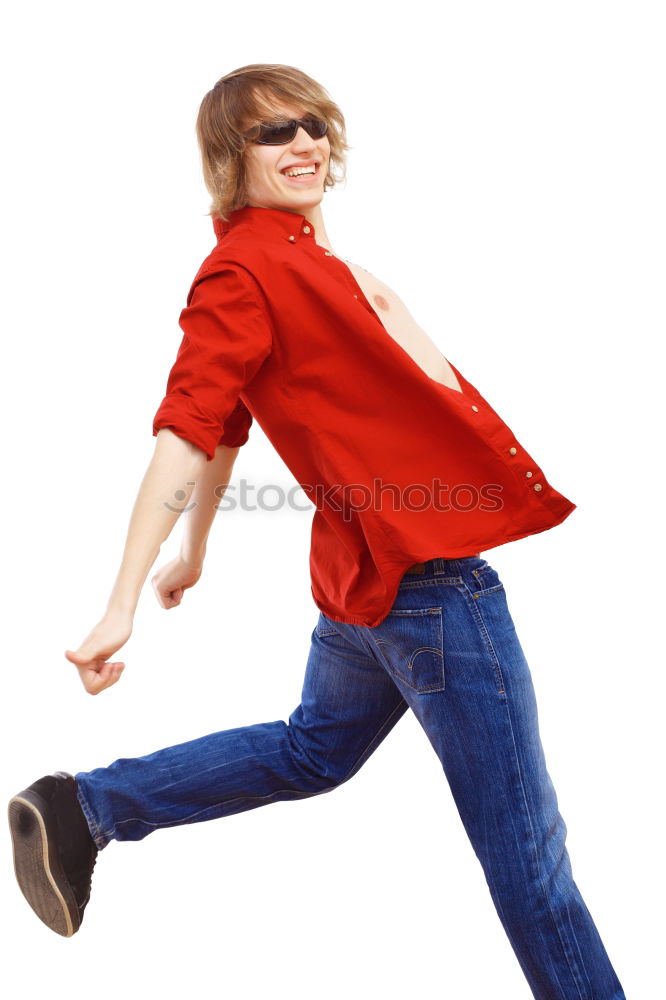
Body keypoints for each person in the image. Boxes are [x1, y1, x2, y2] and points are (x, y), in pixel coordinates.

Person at [8, 63, 626, 998]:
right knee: (534, 870)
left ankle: (82, 807)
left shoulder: (298, 265)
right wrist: (121, 599)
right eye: (271, 133)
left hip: (365, 581)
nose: (302, 143)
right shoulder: (249, 270)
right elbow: (187, 429)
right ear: (228, 159)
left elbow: (227, 425)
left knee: (312, 750)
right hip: (433, 587)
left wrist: (199, 550)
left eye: (312, 126)